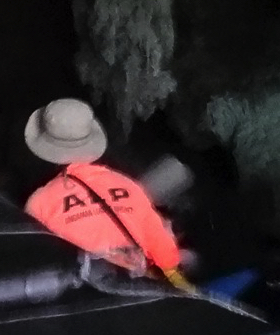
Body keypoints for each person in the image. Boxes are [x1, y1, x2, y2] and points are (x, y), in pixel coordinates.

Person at [19, 99, 193, 292]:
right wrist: (177, 280)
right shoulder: (127, 185)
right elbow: (163, 250)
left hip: (86, 292)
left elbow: (34, 259)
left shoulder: (39, 202)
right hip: (138, 282)